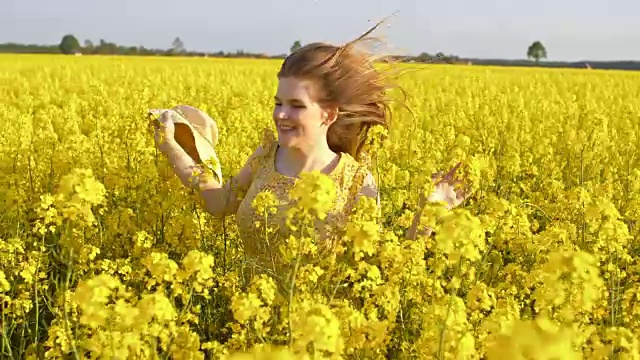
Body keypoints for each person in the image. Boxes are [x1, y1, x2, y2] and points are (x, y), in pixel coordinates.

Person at [150, 22, 471, 277]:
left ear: (328, 114)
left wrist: (431, 209)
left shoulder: (357, 182)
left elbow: (383, 268)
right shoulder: (266, 157)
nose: (280, 115)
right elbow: (217, 202)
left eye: (295, 106)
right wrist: (171, 145)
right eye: (278, 103)